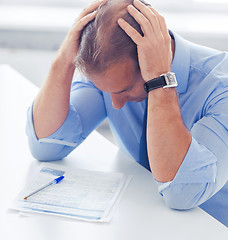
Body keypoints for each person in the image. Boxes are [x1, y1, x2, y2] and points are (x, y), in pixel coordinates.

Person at [26, 0, 228, 227]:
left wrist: (161, 80)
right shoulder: (111, 75)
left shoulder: (220, 87)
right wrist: (64, 59)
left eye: (124, 90)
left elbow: (183, 194)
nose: (116, 104)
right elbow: (47, 144)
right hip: (142, 220)